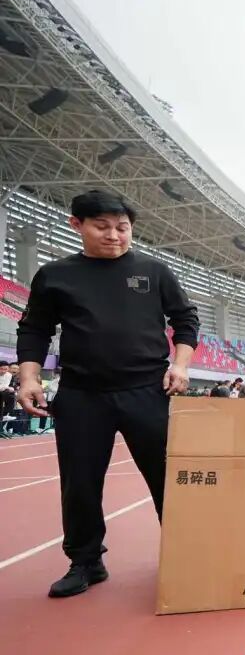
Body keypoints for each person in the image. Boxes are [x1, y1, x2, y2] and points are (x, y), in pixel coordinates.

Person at [16, 189, 198, 597]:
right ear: (76, 225)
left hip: (148, 391)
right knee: (79, 483)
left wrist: (180, 365)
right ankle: (85, 561)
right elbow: (34, 329)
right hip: (82, 395)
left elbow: (185, 319)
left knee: (170, 477)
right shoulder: (55, 275)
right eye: (102, 226)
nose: (114, 235)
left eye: (123, 227)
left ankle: (188, 552)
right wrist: (29, 378)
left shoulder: (154, 271)